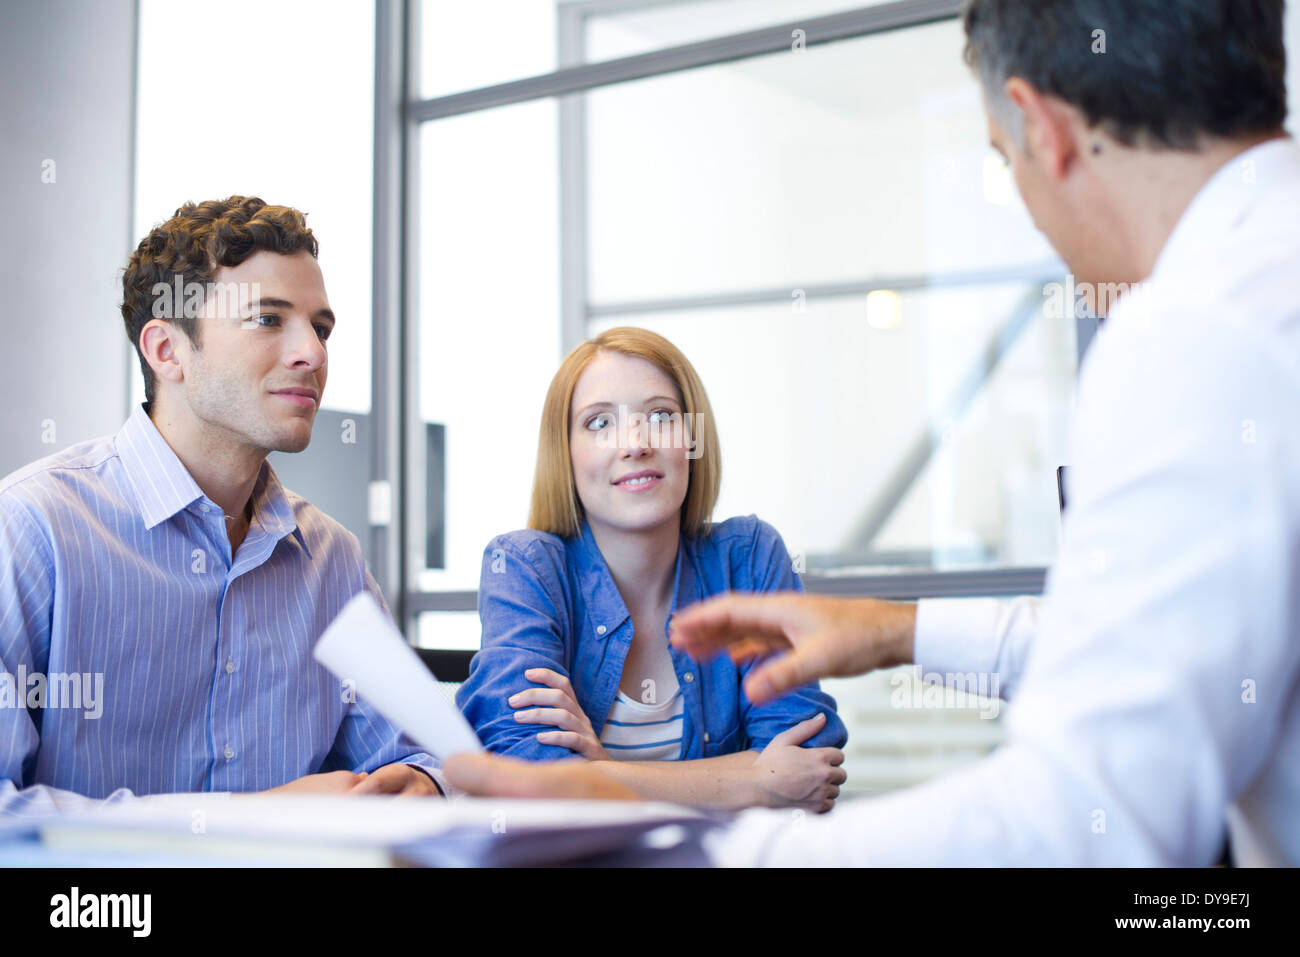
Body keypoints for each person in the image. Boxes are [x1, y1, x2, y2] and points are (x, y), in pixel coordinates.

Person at [446, 0, 1300, 866]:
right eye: (599, 421)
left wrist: (707, 835)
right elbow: (1151, 653)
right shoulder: (1250, 295)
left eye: (1002, 160)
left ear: (1042, 129)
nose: (633, 441)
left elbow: (1087, 813)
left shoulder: (1194, 336)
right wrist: (900, 632)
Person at [0, 196, 446, 816]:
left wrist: (422, 782)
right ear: (167, 351)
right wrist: (248, 822)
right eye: (267, 319)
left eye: (320, 328)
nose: (314, 354)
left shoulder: (333, 560)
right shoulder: (32, 529)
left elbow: (421, 756)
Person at [454, 327, 847, 812]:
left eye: (661, 416)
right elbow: (521, 773)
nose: (636, 445)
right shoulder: (524, 567)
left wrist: (601, 774)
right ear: (565, 454)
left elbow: (807, 765)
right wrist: (752, 781)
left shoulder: (748, 557)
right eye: (600, 422)